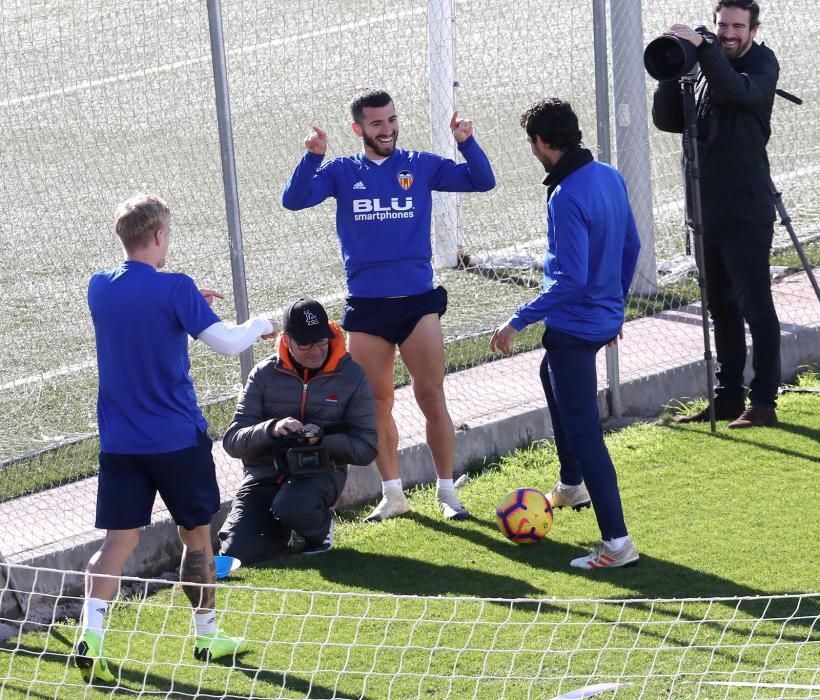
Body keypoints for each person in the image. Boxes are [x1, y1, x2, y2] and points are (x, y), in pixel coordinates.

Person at [76, 193, 278, 682]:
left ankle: (91, 634)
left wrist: (189, 303)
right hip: (176, 441)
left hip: (121, 444)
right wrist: (265, 324)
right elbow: (230, 343)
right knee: (197, 537)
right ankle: (207, 635)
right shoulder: (176, 289)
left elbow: (144, 313)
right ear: (160, 235)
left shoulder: (99, 287)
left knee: (116, 544)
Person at [281, 89, 495, 522]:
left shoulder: (419, 165)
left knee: (431, 395)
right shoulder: (341, 171)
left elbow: (481, 180)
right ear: (358, 129)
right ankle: (393, 493)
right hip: (368, 307)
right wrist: (312, 157)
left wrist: (466, 142)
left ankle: (447, 492)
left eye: (392, 120)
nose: (388, 130)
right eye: (377, 123)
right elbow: (295, 199)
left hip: (418, 303)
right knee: (378, 402)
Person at [490, 98, 641, 570]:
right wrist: (613, 309)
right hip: (600, 319)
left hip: (575, 327)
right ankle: (571, 483)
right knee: (547, 372)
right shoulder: (608, 175)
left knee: (585, 431)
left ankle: (617, 544)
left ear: (539, 143)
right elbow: (631, 245)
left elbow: (570, 279)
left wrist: (519, 318)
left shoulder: (566, 195)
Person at [652, 1, 781, 428]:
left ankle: (762, 403)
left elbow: (738, 93)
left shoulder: (762, 65)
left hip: (746, 210)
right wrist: (674, 71)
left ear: (753, 29)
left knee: (756, 307)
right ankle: (728, 398)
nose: (727, 33)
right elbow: (669, 121)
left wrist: (704, 51)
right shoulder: (708, 68)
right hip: (706, 211)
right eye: (721, 24)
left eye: (736, 26)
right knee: (722, 308)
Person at [218, 298, 378, 563]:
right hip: (264, 475)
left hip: (321, 472)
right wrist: (271, 429)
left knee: (291, 506)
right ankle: (281, 531)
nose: (316, 351)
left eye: (322, 342)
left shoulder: (352, 376)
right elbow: (233, 441)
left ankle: (319, 531)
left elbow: (367, 449)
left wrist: (322, 438)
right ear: (287, 338)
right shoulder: (263, 374)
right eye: (306, 344)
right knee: (236, 554)